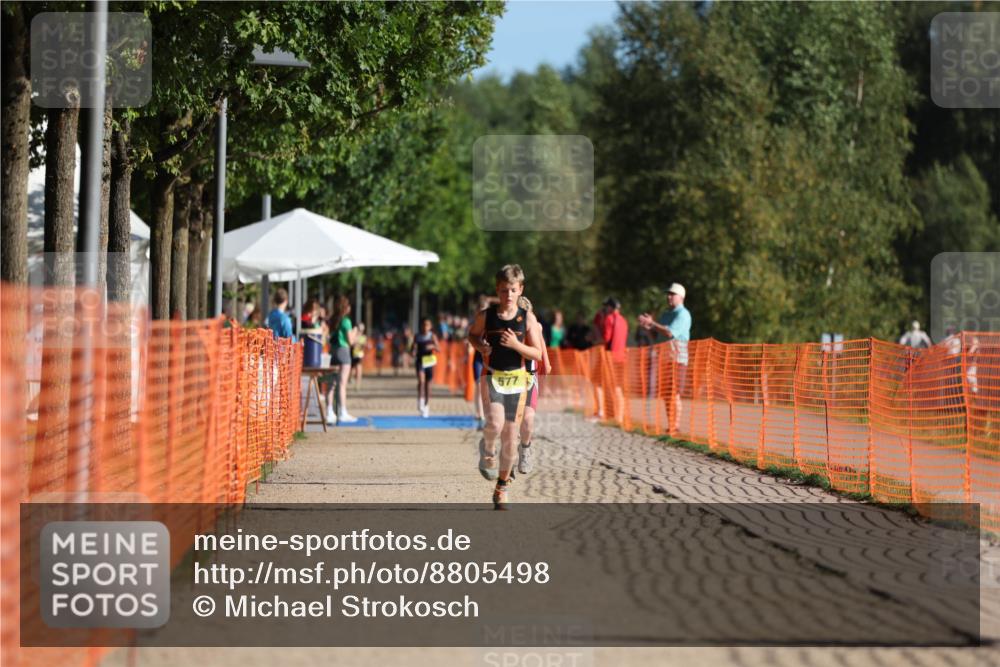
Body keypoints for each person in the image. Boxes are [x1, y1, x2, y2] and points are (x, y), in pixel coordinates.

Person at [468, 265, 544, 510]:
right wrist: (480, 347)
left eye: (512, 290)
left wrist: (515, 345)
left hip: (518, 380)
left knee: (511, 436)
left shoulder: (527, 318)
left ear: (520, 289)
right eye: (503, 290)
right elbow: (472, 335)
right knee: (494, 424)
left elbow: (537, 354)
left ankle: (501, 487)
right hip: (491, 377)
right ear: (497, 290)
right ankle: (487, 447)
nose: (508, 295)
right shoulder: (486, 315)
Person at [638, 283, 691, 432]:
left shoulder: (683, 314)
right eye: (668, 294)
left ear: (681, 297)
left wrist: (652, 323)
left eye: (672, 294)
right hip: (665, 359)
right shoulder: (666, 314)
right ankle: (671, 425)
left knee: (675, 393)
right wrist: (647, 327)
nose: (669, 296)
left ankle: (676, 426)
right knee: (667, 394)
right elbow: (656, 336)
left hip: (678, 359)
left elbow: (669, 333)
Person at [517, 296, 551, 475]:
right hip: (510, 377)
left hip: (530, 377)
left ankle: (525, 450)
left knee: (528, 419)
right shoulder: (507, 326)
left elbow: (542, 343)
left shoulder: (536, 325)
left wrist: (546, 362)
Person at [326, 295, 359, 425]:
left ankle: (329, 412)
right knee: (342, 384)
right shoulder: (346, 321)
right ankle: (342, 412)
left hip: (333, 352)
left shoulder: (332, 320)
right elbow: (350, 341)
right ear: (345, 307)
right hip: (344, 352)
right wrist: (356, 332)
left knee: (332, 384)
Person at [600, 297, 628, 423]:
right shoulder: (624, 321)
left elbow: (606, 338)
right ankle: (619, 415)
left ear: (611, 307)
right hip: (622, 357)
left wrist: (595, 341)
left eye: (606, 306)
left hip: (611, 357)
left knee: (611, 386)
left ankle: (616, 416)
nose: (605, 309)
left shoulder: (609, 318)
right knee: (618, 387)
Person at [411, 317, 440, 417]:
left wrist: (432, 346)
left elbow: (439, 349)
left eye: (427, 325)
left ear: (430, 326)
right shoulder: (417, 336)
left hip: (429, 362)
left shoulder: (432, 336)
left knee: (428, 385)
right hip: (420, 361)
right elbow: (413, 348)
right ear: (421, 326)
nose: (425, 327)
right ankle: (420, 400)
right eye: (423, 325)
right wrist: (413, 351)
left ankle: (427, 405)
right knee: (421, 381)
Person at [351, 323, 368, 390]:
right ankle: (351, 378)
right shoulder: (353, 335)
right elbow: (351, 343)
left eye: (362, 329)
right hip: (352, 354)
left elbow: (364, 346)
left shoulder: (363, 337)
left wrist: (361, 345)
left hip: (359, 355)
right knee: (351, 370)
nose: (360, 331)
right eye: (359, 329)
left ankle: (357, 385)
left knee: (358, 369)